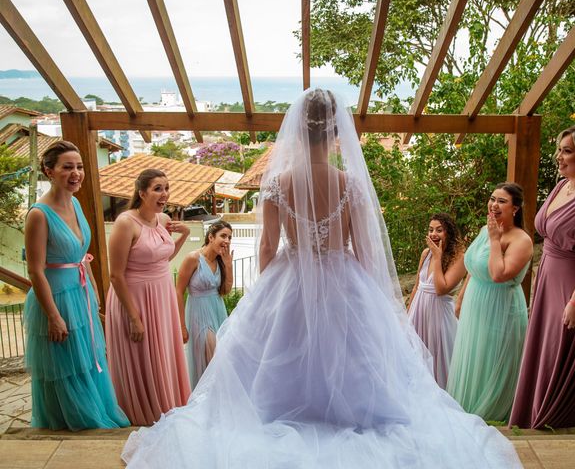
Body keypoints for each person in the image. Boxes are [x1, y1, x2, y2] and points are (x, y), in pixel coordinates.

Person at [121, 89, 522, 468]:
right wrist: (371, 298)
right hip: (342, 276)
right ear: (334, 133)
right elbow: (365, 250)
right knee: (348, 356)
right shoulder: (349, 184)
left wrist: (267, 292)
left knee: (284, 357)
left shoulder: (278, 183)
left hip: (289, 276)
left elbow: (266, 246)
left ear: (298, 130)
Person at [510, 121, 575, 429]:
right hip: (549, 284)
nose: (558, 156)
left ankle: (552, 430)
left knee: (559, 366)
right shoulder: (562, 185)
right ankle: (531, 424)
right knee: (542, 360)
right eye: (559, 149)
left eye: (567, 151)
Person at [23, 141, 129, 430]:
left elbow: (83, 256)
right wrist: (54, 316)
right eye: (67, 167)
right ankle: (73, 421)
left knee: (89, 360)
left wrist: (93, 291)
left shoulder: (76, 203)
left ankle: (97, 414)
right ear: (50, 171)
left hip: (80, 294)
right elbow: (35, 271)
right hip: (55, 298)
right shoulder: (38, 214)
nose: (76, 173)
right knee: (66, 366)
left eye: (79, 167)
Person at [106, 169, 191, 426]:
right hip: (135, 300)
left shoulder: (163, 219)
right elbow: (115, 275)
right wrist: (134, 318)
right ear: (141, 193)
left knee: (163, 355)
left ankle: (166, 407)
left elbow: (163, 258)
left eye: (166, 187)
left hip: (162, 298)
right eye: (157, 188)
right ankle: (143, 413)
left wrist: (184, 235)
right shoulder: (125, 223)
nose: (164, 194)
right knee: (142, 359)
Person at [446, 183, 533, 422]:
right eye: (492, 199)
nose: (494, 205)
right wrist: (462, 296)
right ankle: (464, 411)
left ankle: (491, 416)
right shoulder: (487, 229)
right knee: (472, 356)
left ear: (515, 208)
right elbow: (473, 265)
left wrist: (495, 240)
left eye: (502, 201)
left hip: (500, 309)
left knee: (492, 360)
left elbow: (498, 273)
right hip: (476, 304)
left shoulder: (521, 240)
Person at [407, 213, 465, 389]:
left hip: (439, 317)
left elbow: (441, 289)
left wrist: (438, 257)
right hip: (418, 312)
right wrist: (408, 315)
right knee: (415, 356)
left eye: (439, 230)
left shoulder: (459, 257)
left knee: (438, 358)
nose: (433, 234)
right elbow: (417, 286)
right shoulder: (426, 254)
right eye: (431, 230)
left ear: (449, 232)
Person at [176, 221, 233, 388]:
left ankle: (218, 397)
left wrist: (228, 265)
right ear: (210, 237)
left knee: (221, 356)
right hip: (198, 313)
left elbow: (226, 291)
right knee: (211, 354)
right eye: (223, 235)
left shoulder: (222, 261)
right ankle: (206, 398)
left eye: (230, 237)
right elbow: (178, 291)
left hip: (218, 310)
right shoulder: (193, 258)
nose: (227, 240)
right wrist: (181, 326)